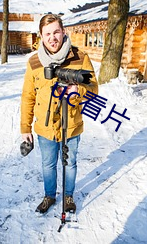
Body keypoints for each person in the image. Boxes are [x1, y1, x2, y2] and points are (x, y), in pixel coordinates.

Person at [20, 14, 98, 214]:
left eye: (56, 32)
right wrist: (25, 128)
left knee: (70, 162)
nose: (52, 37)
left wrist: (78, 91)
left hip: (71, 124)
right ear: (41, 36)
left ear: (63, 32)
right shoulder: (34, 62)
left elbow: (94, 91)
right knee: (48, 164)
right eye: (47, 34)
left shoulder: (80, 58)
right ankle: (49, 196)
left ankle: (69, 196)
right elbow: (28, 96)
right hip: (45, 127)